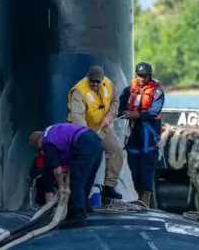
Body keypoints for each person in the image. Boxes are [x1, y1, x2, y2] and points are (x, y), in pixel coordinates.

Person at [28, 123, 103, 227]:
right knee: (87, 178)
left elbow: (58, 170)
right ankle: (85, 205)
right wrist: (66, 182)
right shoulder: (56, 134)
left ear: (40, 142)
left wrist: (61, 187)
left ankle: (78, 216)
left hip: (84, 142)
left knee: (76, 182)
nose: (41, 151)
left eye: (39, 148)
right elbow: (71, 165)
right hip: (95, 139)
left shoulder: (47, 141)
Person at [68, 65, 123, 201]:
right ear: (87, 77)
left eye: (97, 82)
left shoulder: (109, 84)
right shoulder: (79, 91)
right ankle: (82, 194)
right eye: (92, 81)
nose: (95, 84)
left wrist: (108, 117)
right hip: (84, 130)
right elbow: (77, 117)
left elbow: (115, 102)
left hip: (102, 126)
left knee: (117, 150)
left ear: (102, 79)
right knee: (89, 158)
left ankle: (109, 187)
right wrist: (88, 137)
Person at [118, 61, 165, 208]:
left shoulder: (157, 93)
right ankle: (138, 197)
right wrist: (124, 113)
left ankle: (145, 200)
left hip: (149, 134)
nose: (141, 78)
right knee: (133, 165)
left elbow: (154, 110)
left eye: (144, 76)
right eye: (139, 75)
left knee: (147, 167)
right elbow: (119, 106)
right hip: (133, 133)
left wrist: (138, 115)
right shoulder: (129, 90)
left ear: (149, 76)